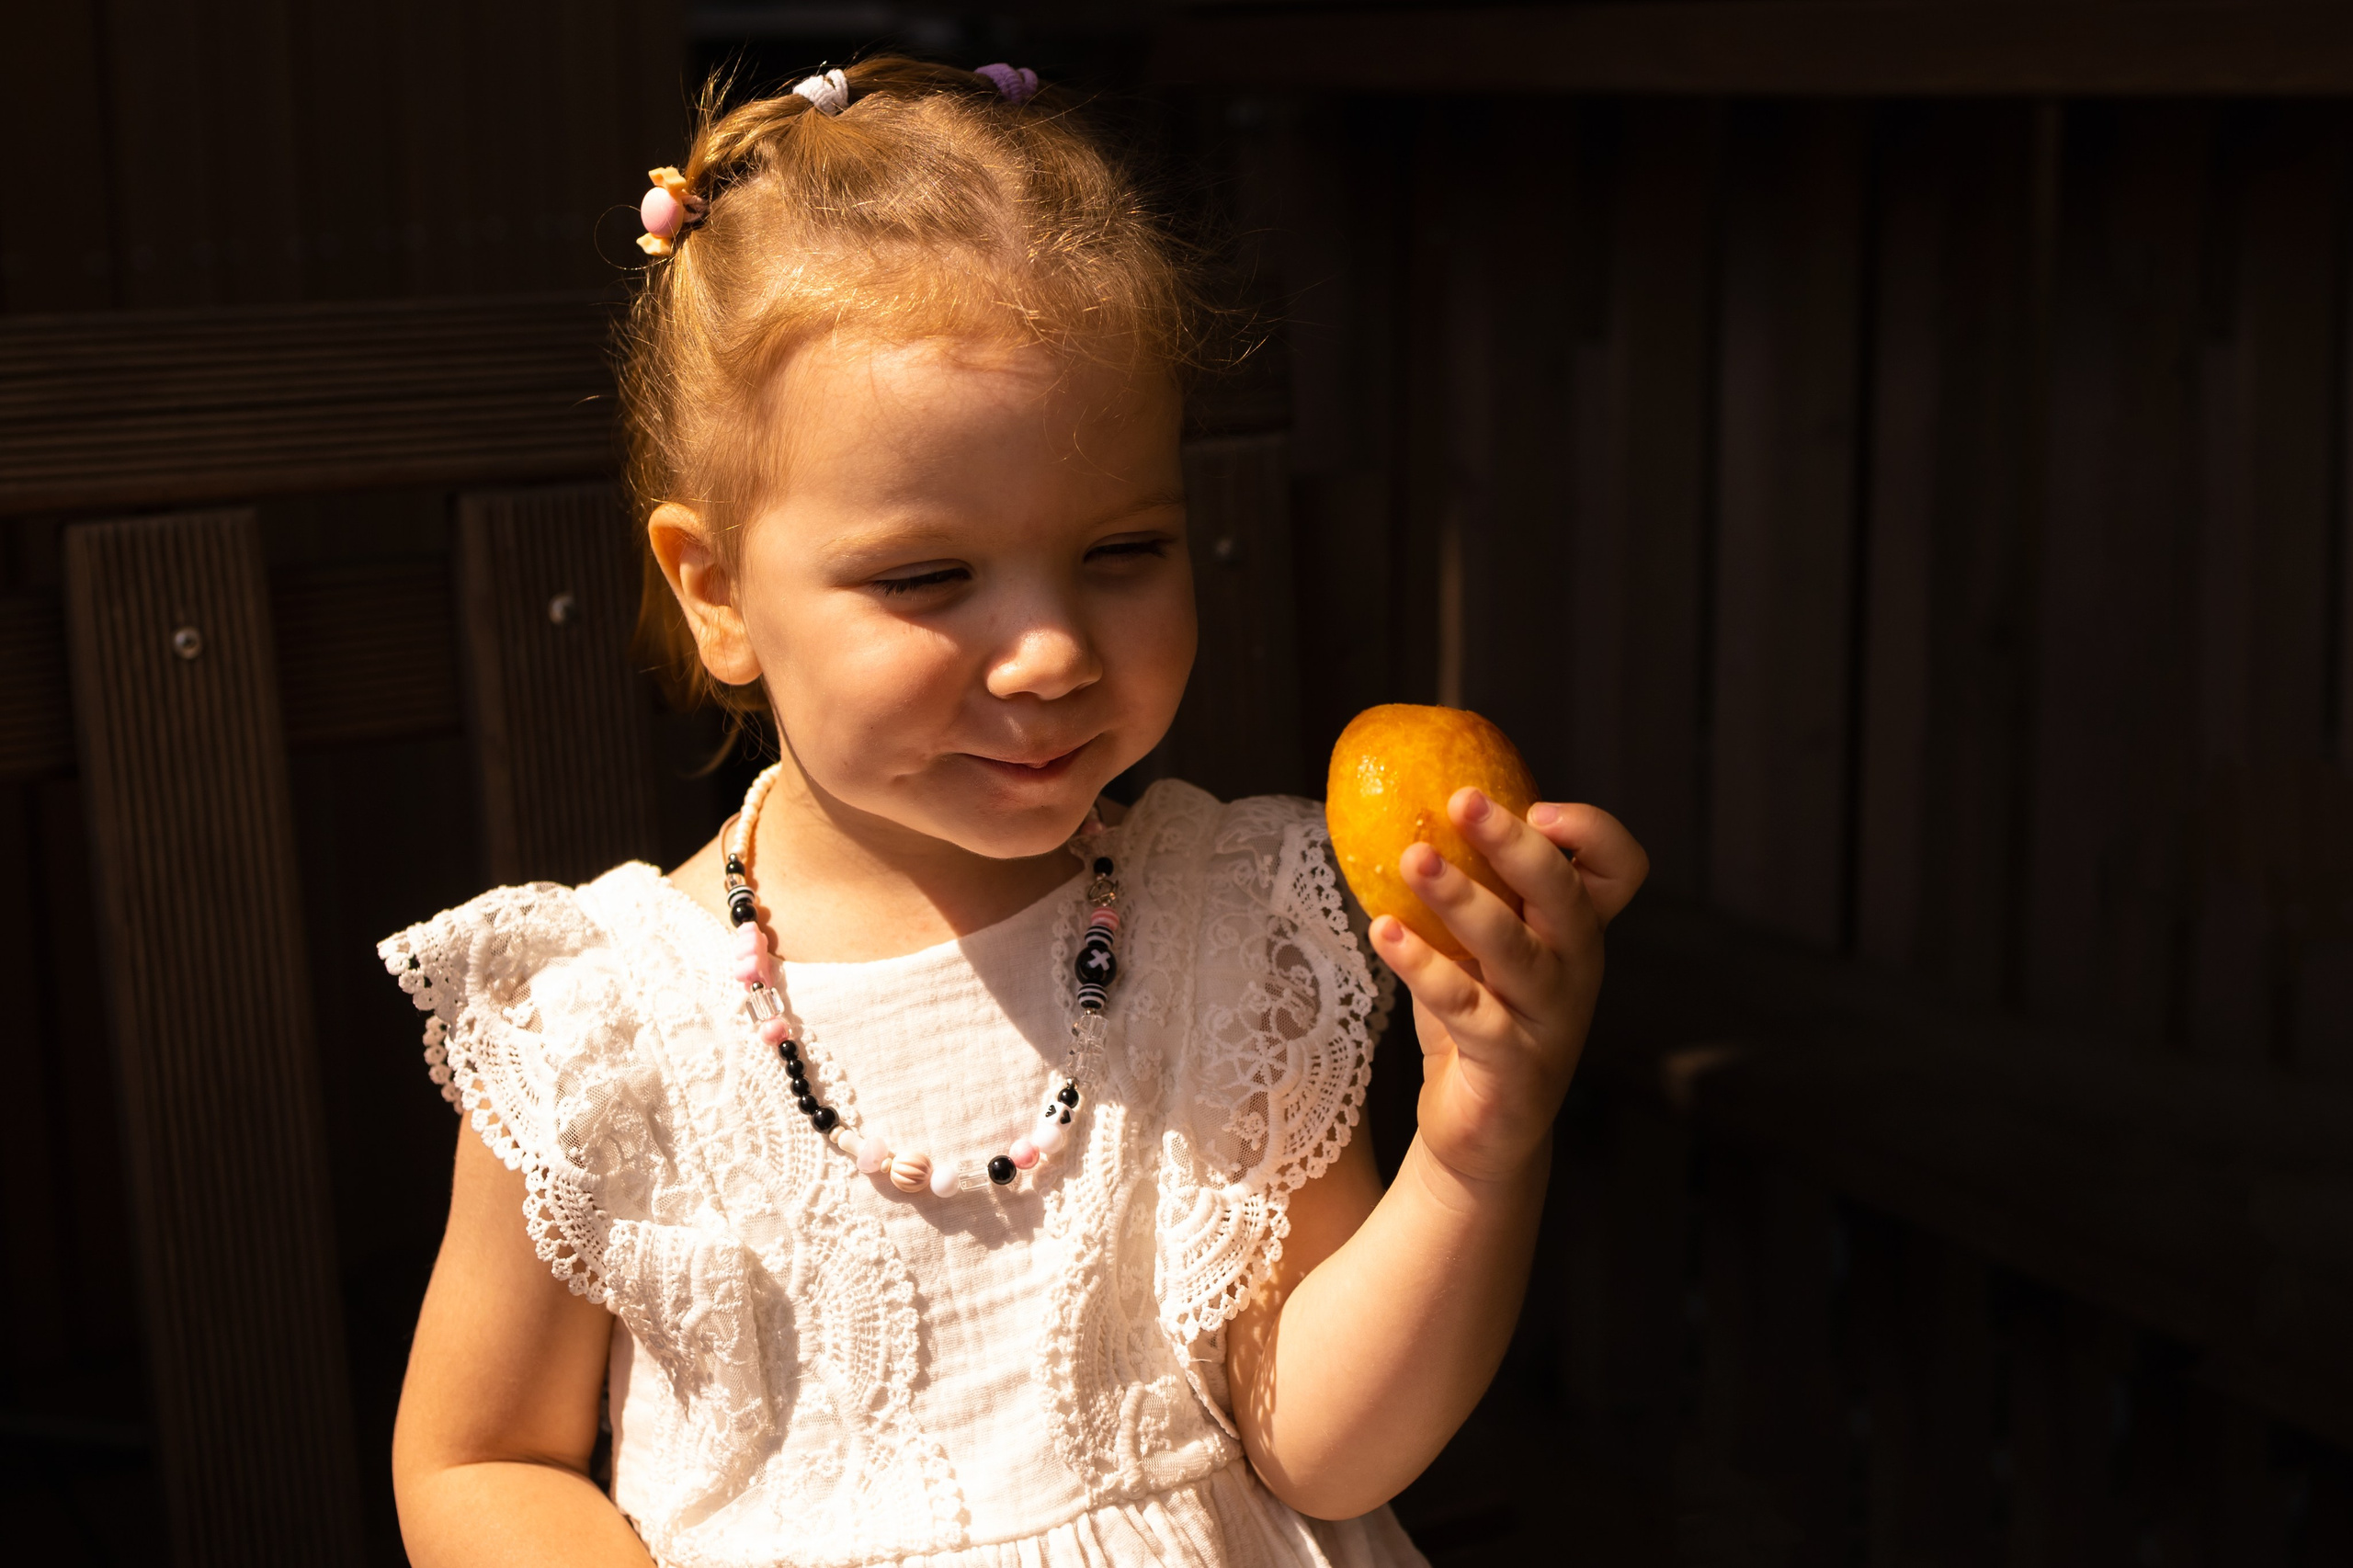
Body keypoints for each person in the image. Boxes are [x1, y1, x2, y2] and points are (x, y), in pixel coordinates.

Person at [382, 56, 1647, 1568]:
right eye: (927, 576)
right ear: (715, 589)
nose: (1051, 650)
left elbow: (1321, 1443)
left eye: (1123, 549)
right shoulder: (600, 1025)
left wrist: (1475, 1142)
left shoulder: (1231, 926)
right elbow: (478, 1459)